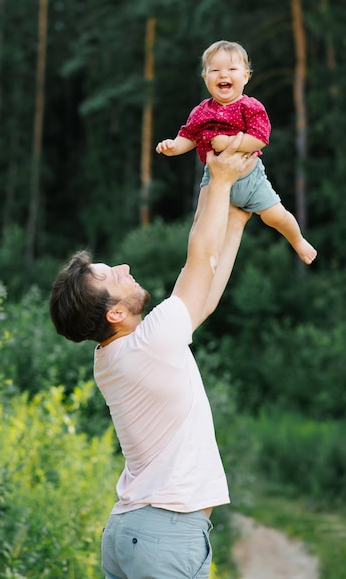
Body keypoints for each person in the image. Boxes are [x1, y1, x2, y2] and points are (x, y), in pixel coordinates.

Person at [49, 134, 254, 579]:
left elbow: (205, 294)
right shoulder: (151, 344)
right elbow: (198, 260)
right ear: (116, 311)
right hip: (165, 535)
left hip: (133, 533)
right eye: (110, 275)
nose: (122, 268)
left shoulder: (118, 355)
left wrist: (234, 220)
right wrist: (218, 183)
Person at [156, 40, 317, 265]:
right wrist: (174, 147)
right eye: (215, 70)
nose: (223, 75)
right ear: (205, 78)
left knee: (275, 216)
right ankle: (201, 261)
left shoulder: (250, 107)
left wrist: (229, 142)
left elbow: (260, 139)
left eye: (231, 69)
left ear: (246, 76)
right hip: (213, 177)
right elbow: (189, 136)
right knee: (201, 220)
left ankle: (298, 240)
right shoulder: (201, 111)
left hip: (250, 179)